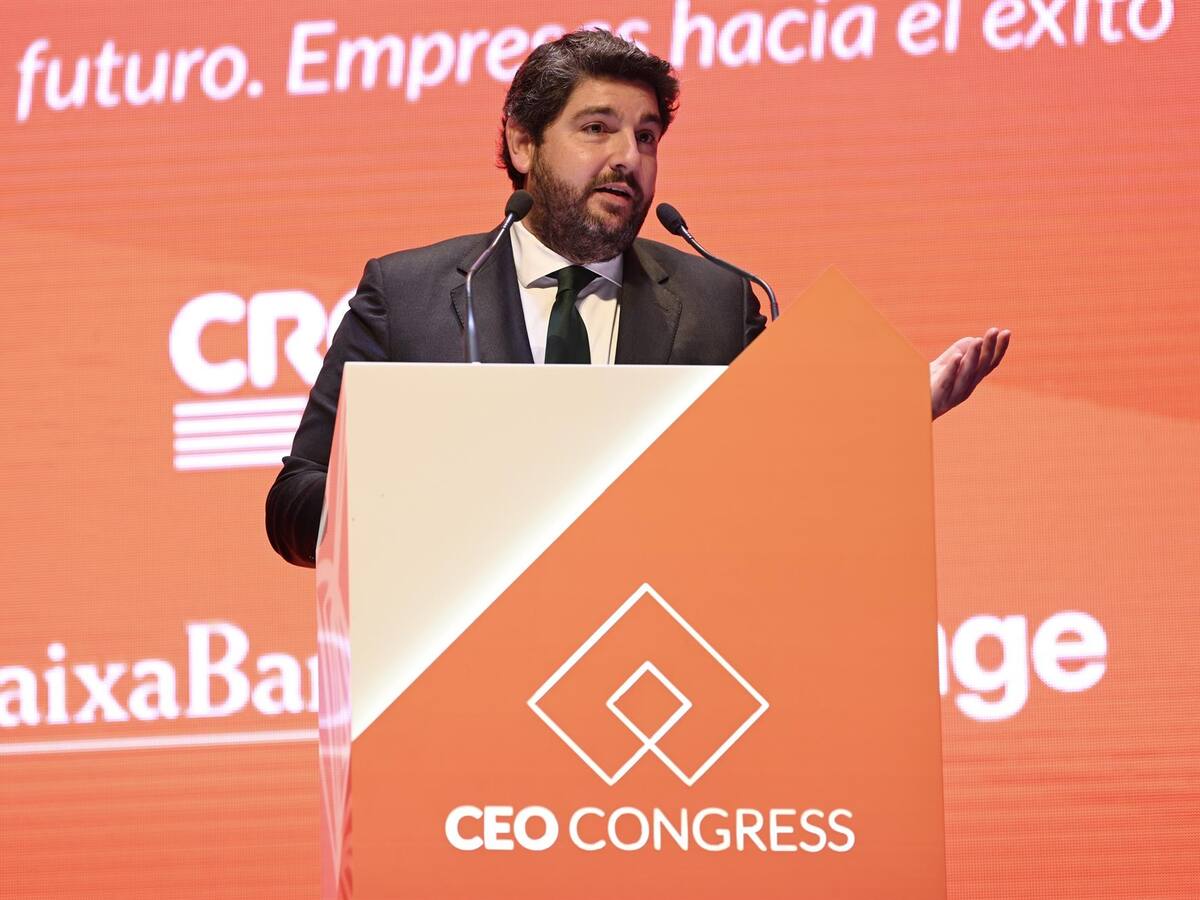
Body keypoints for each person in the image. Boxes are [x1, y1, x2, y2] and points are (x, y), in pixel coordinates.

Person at [265, 29, 1009, 568]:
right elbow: (295, 503)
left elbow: (791, 471)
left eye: (648, 137)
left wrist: (890, 420)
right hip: (452, 672)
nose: (629, 157)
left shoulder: (718, 303)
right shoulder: (410, 295)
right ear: (522, 144)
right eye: (598, 129)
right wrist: (419, 507)